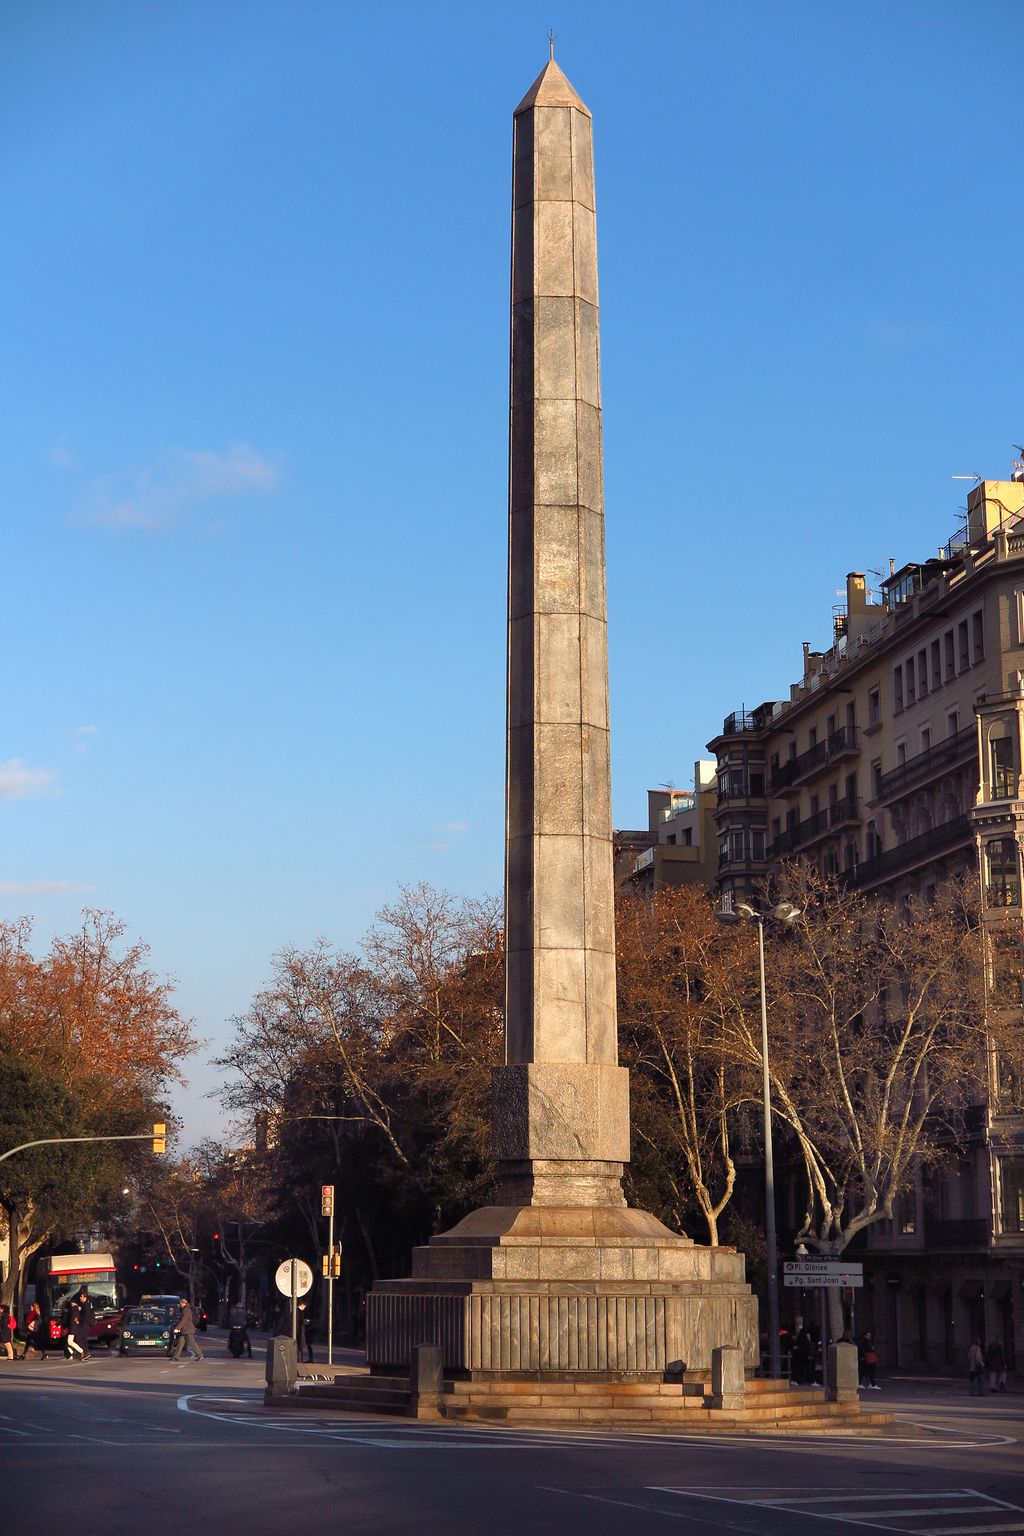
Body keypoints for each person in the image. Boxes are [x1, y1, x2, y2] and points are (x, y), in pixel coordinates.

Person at [74, 1289, 93, 1361]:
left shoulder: (86, 1306)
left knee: (78, 1339)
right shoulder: (85, 1305)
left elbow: (86, 1316)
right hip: (85, 1324)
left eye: (81, 1297)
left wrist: (78, 1319)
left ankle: (86, 1352)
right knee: (83, 1340)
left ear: (85, 1297)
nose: (80, 1298)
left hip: (84, 1324)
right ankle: (86, 1354)